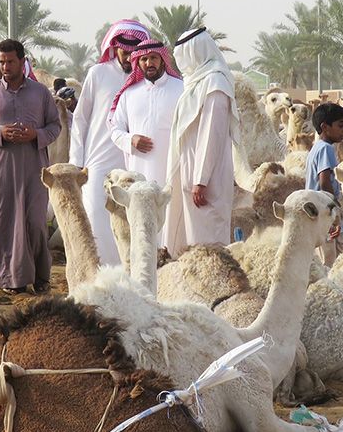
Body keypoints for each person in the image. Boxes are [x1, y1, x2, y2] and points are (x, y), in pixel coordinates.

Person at [0, 39, 60, 294]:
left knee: (36, 223)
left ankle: (41, 278)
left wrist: (35, 134)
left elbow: (55, 126)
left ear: (22, 61)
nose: (5, 66)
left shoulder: (41, 94)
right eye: (2, 62)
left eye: (10, 61)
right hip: (1, 170)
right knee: (5, 222)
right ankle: (10, 281)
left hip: (34, 169)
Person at [69, 19, 149, 264]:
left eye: (133, 54)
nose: (128, 59)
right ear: (115, 49)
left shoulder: (145, 81)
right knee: (96, 219)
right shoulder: (98, 74)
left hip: (133, 165)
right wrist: (76, 162)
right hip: (97, 163)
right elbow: (80, 120)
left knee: (132, 224)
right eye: (124, 53)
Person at [165, 27, 239, 258]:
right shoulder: (196, 83)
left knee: (207, 240)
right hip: (191, 172)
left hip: (207, 177)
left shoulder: (215, 83)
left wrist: (201, 180)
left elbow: (211, 134)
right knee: (187, 237)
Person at [109, 39, 183, 185]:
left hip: (175, 170)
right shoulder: (129, 93)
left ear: (163, 60)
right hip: (139, 172)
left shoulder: (181, 88)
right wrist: (131, 140)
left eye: (153, 58)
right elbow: (115, 128)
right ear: (138, 62)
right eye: (144, 59)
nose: (149, 63)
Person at [305, 102, 343, 264]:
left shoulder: (316, 148)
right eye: (340, 125)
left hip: (318, 211)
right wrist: (333, 214)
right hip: (324, 211)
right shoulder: (326, 149)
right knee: (330, 262)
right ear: (325, 127)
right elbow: (325, 183)